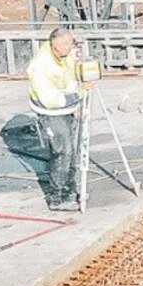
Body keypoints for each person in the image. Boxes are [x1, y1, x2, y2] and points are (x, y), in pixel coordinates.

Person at [28, 26, 85, 210]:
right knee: (62, 151)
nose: (72, 48)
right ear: (57, 46)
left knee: (72, 151)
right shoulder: (41, 65)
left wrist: (79, 93)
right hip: (51, 111)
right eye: (69, 45)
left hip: (67, 108)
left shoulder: (64, 56)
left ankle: (70, 188)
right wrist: (75, 98)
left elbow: (70, 79)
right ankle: (56, 197)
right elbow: (50, 99)